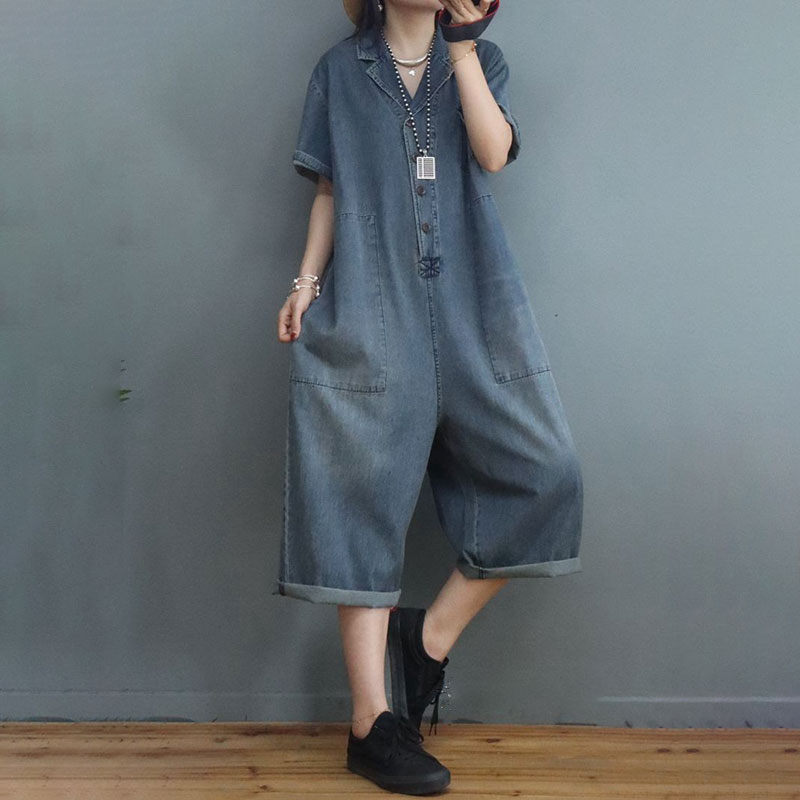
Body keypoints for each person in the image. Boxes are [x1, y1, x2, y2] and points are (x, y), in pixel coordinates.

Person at [275, 0, 584, 793]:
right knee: (358, 493)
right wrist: (306, 283)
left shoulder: (483, 60)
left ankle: (427, 640)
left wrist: (465, 49)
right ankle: (370, 723)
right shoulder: (340, 71)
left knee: (547, 475)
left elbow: (493, 153)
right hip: (370, 306)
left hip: (478, 308)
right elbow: (331, 189)